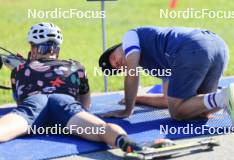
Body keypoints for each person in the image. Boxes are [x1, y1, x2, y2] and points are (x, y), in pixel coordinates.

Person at [0, 23, 142, 152]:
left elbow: (20, 102)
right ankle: (125, 142)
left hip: (34, 102)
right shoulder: (76, 67)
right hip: (65, 104)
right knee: (101, 129)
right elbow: (86, 104)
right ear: (57, 49)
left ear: (33, 48)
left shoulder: (18, 69)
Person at [99, 26, 234, 130]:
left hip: (192, 48)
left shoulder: (130, 36)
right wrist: (139, 98)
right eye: (117, 68)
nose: (117, 63)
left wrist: (128, 109)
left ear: (117, 47)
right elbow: (167, 100)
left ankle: (223, 97)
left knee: (177, 113)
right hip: (218, 46)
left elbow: (132, 72)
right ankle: (232, 95)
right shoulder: (157, 58)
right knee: (198, 110)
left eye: (113, 58)